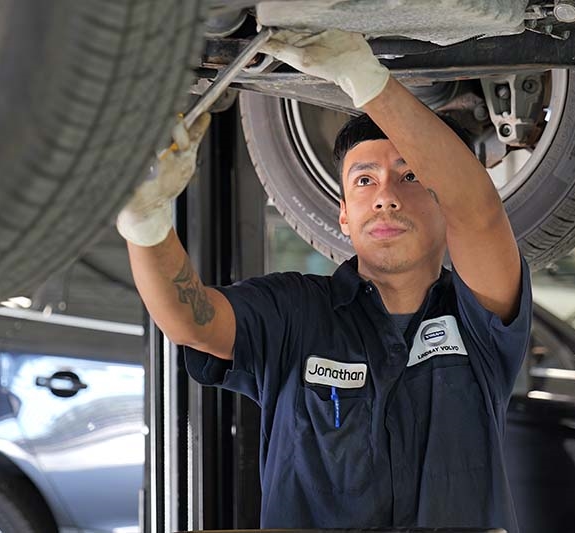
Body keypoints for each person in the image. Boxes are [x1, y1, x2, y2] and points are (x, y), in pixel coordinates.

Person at [117, 29, 531, 533]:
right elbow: (190, 320)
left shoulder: (477, 323)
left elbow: (479, 212)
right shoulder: (295, 312)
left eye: (409, 177)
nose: (385, 197)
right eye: (363, 180)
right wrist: (147, 225)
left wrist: (362, 77)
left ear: (442, 198)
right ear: (343, 216)